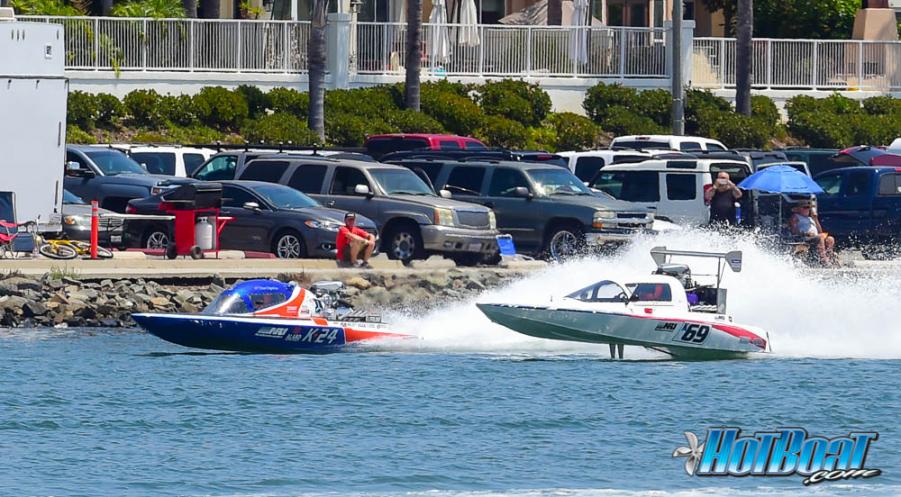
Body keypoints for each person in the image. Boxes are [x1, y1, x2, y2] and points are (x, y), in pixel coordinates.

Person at [790, 201, 836, 265]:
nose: (808, 209)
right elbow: (793, 230)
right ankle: (823, 258)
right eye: (805, 207)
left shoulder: (810, 218)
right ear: (798, 209)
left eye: (808, 207)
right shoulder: (796, 216)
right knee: (820, 238)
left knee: (830, 239)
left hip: (815, 237)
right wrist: (804, 233)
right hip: (805, 237)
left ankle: (830, 257)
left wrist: (815, 219)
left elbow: (820, 231)